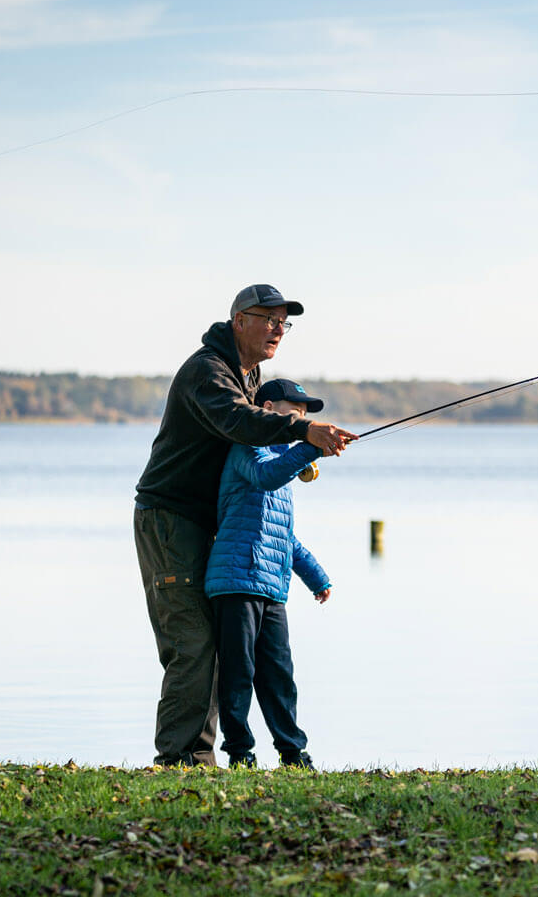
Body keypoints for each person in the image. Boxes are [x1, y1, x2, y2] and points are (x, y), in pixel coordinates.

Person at [133, 284, 357, 767]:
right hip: (170, 517)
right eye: (269, 319)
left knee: (216, 647)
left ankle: (200, 760)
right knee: (192, 643)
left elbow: (259, 438)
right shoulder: (209, 371)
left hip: (210, 521)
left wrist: (298, 452)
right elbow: (239, 422)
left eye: (284, 322)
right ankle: (176, 762)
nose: (278, 329)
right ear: (239, 320)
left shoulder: (249, 375)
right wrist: (303, 433)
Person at [206, 378, 333, 770]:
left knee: (279, 675)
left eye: (305, 413)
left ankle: (293, 753)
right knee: (238, 672)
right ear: (266, 407)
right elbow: (266, 476)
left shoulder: (285, 466)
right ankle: (240, 753)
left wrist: (317, 577)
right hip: (235, 580)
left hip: (272, 587)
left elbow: (284, 536)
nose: (300, 417)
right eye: (293, 409)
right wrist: (310, 446)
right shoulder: (246, 448)